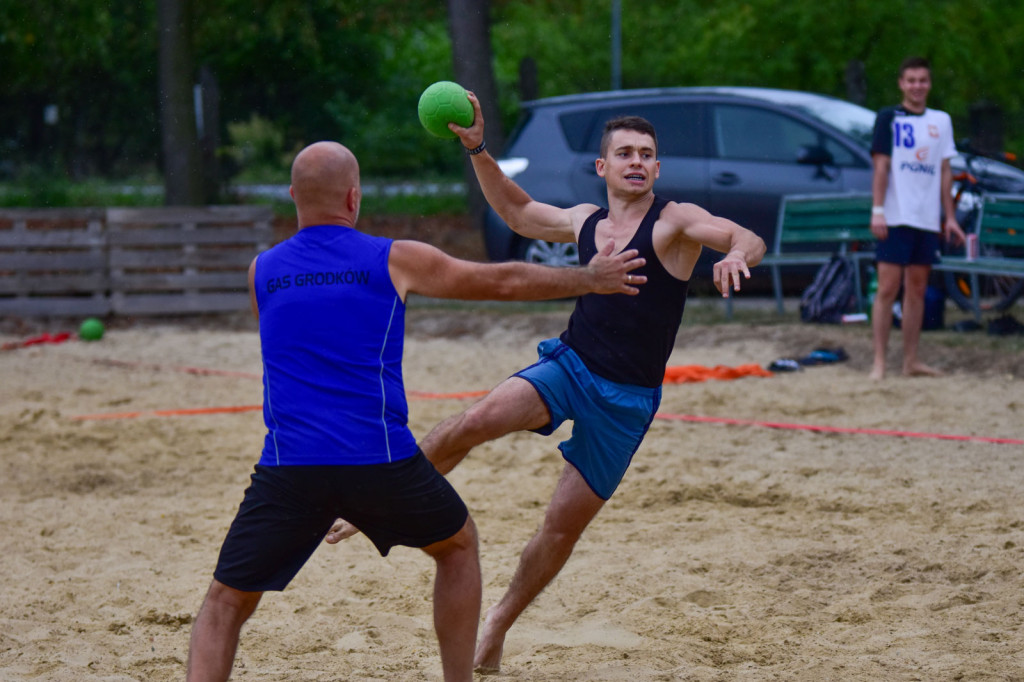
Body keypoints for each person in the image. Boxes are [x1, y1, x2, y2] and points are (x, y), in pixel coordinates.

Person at [327, 93, 766, 672]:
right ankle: (374, 502)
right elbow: (517, 213)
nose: (636, 162)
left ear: (657, 169)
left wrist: (736, 255)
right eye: (625, 153)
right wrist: (478, 148)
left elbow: (744, 235)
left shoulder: (675, 221)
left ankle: (498, 623)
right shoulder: (586, 220)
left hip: (627, 402)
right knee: (473, 421)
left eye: (647, 155)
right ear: (602, 167)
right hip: (570, 366)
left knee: (559, 529)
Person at [184, 140, 648, 682]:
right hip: (378, 461)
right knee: (457, 546)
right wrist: (587, 279)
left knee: (223, 604)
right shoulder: (393, 257)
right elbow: (497, 281)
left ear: (293, 197)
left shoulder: (261, 271)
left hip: (290, 469)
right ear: (354, 197)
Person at [869, 56, 966, 380]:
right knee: (887, 289)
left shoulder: (941, 120)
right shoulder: (888, 118)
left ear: (929, 84)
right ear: (901, 83)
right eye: (911, 80)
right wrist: (878, 209)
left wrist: (949, 217)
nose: (917, 86)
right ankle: (879, 362)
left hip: (927, 217)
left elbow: (945, 170)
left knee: (917, 289)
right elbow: (880, 166)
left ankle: (911, 361)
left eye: (922, 80)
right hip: (895, 216)